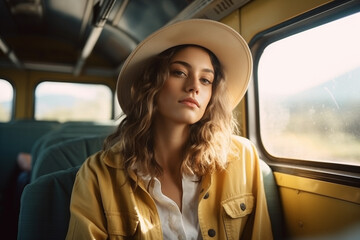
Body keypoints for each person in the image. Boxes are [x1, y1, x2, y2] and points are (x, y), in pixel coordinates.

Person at [66, 19, 273, 239]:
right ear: (151, 83)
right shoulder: (97, 174)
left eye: (205, 79)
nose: (194, 86)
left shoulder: (242, 158)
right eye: (179, 73)